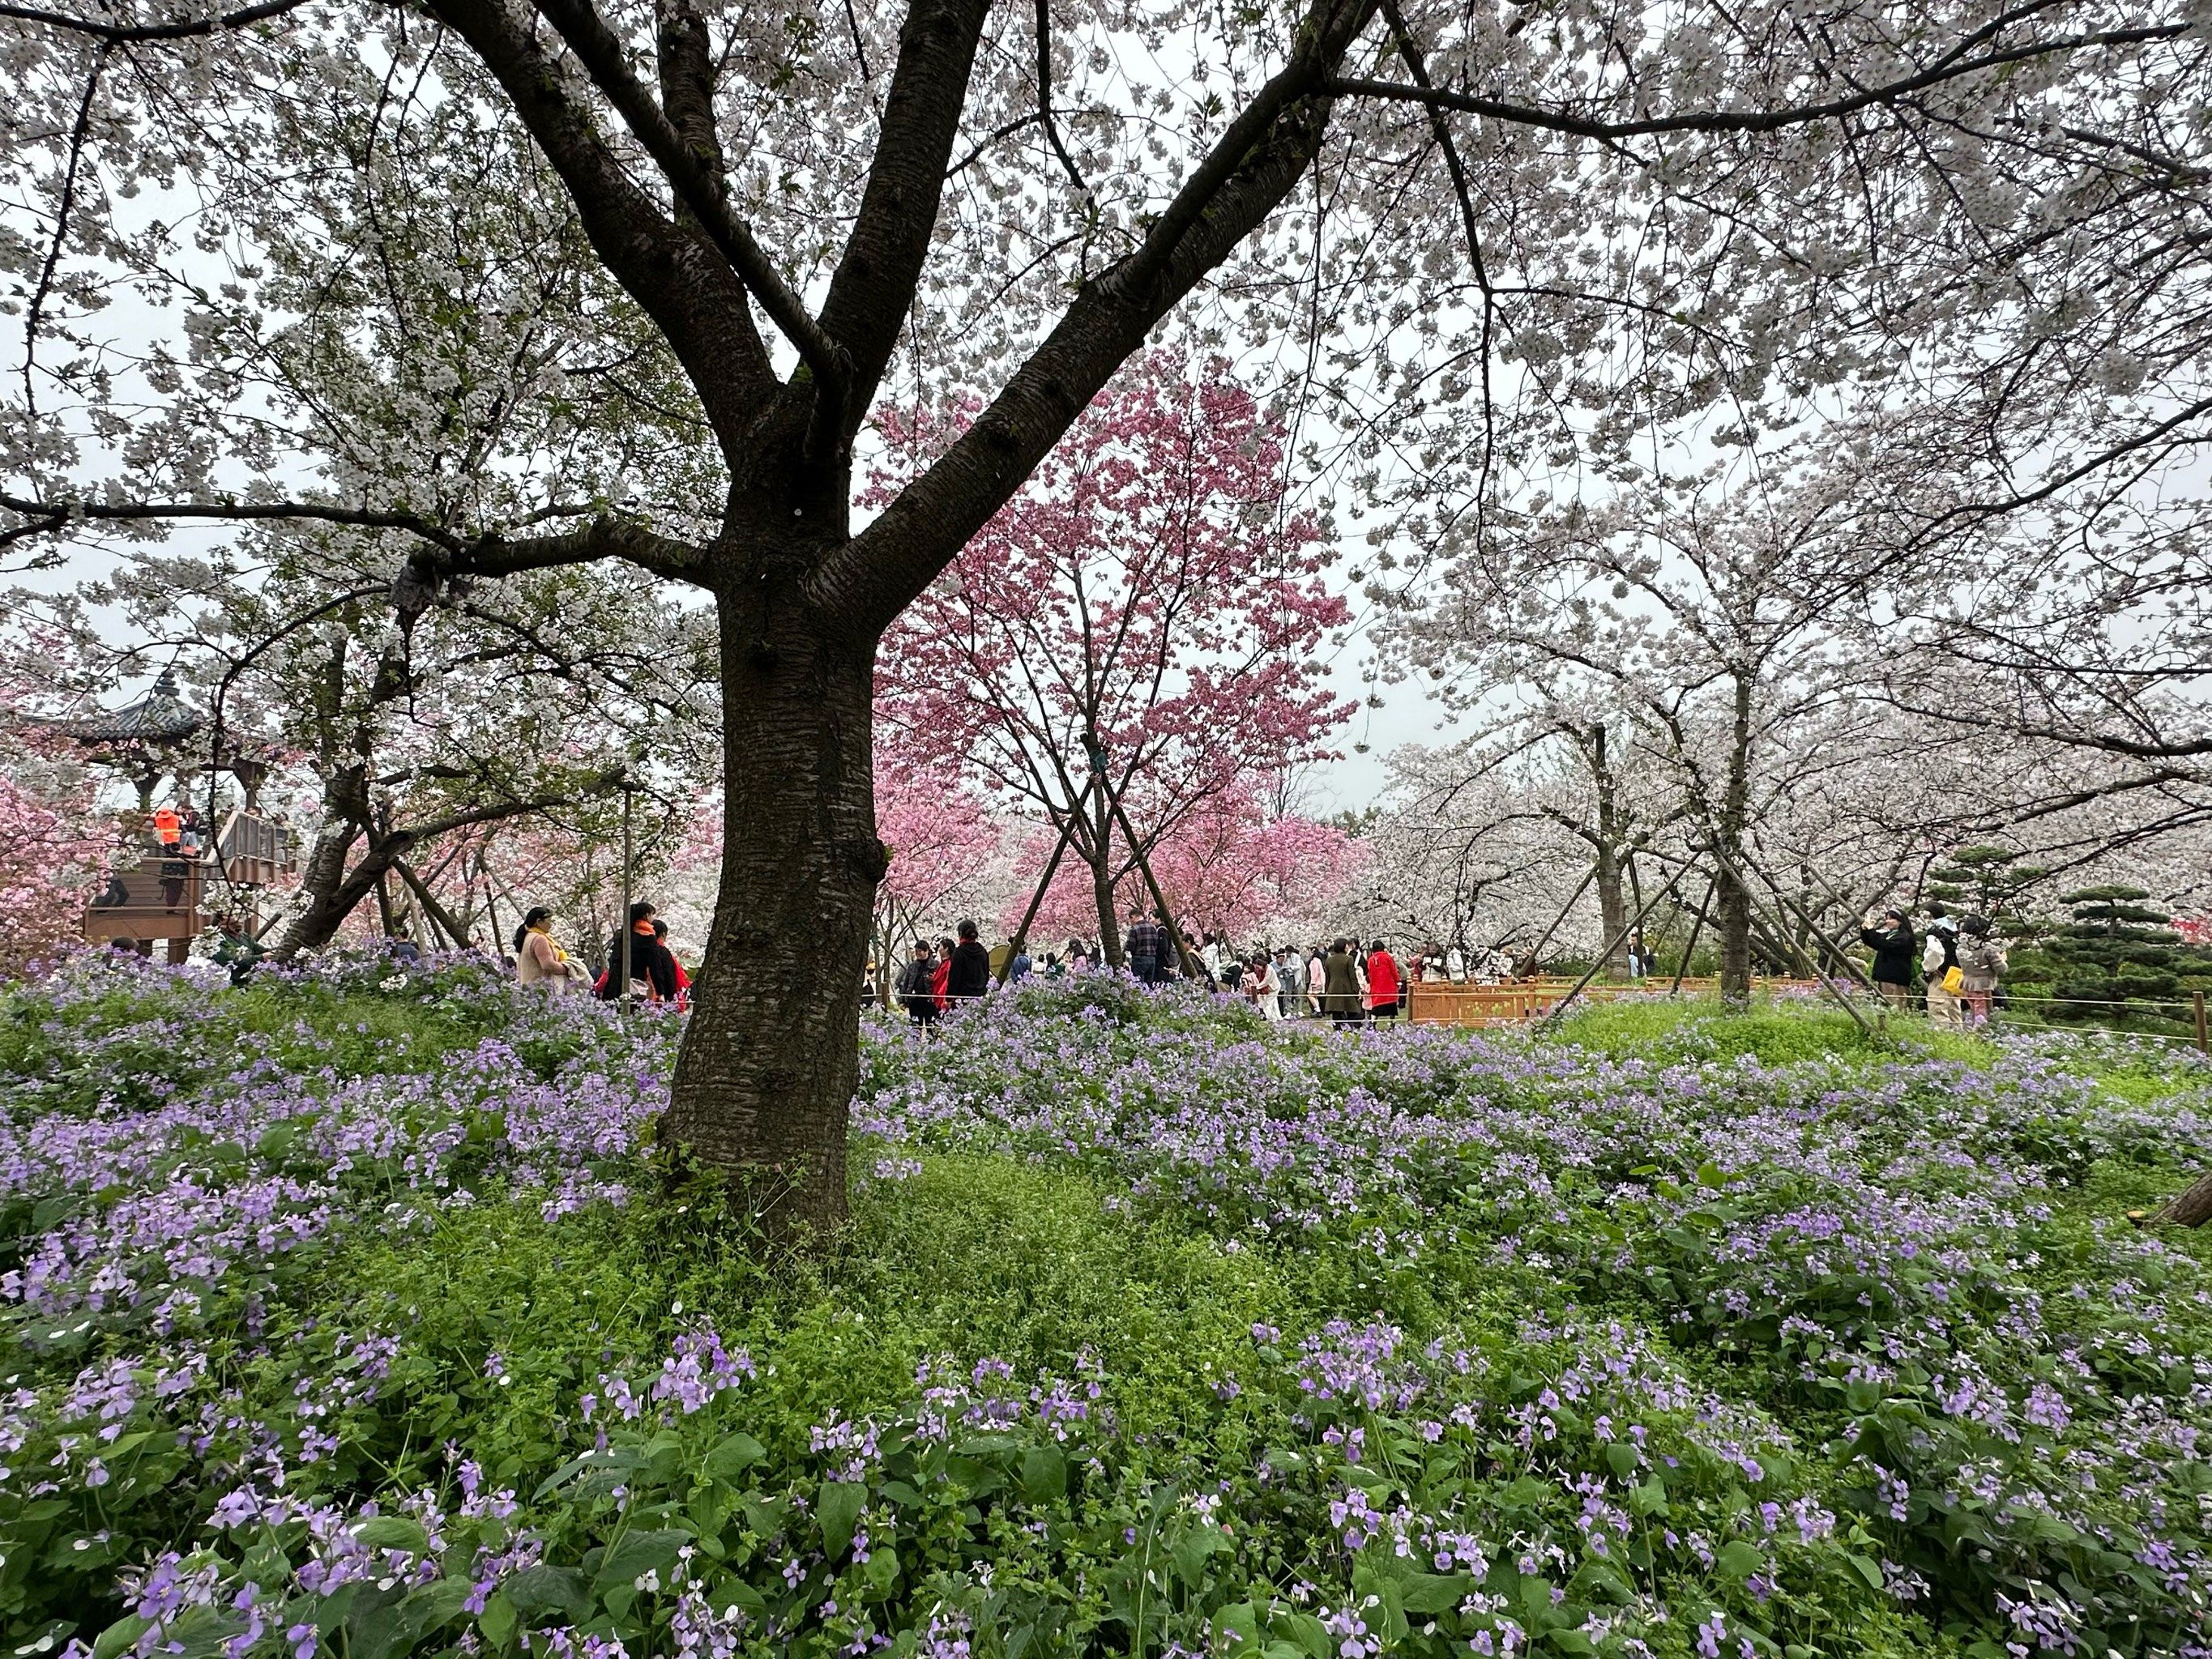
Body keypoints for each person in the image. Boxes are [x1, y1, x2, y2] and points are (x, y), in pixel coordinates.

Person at [598, 901, 678, 1003]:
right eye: (651, 915)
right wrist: (660, 992)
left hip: (615, 984)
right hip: (635, 985)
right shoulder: (647, 937)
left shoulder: (622, 935)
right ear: (646, 915)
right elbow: (655, 966)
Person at [1858, 909, 1918, 1010]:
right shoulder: (1889, 935)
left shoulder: (1904, 938)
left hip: (1895, 978)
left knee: (1896, 1007)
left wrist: (1871, 931)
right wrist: (1865, 930)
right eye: (1887, 919)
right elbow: (1873, 942)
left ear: (1900, 921)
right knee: (1884, 1007)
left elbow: (1883, 944)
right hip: (1884, 976)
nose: (1887, 921)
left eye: (1891, 919)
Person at [1955, 914, 2007, 1026]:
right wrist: (2002, 959)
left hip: (1966, 984)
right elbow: (2001, 969)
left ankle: (1973, 1032)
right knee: (1982, 1015)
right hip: (1982, 986)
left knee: (1974, 1012)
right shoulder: (1986, 948)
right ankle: (1980, 1035)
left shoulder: (1961, 947)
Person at [513, 906, 577, 993]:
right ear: (539, 922)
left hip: (528, 990)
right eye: (549, 921)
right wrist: (569, 969)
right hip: (541, 991)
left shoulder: (527, 937)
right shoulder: (539, 939)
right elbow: (548, 965)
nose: (551, 925)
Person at [1922, 915, 1965, 1031]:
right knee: (1954, 1012)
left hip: (1939, 976)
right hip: (1954, 976)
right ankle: (1958, 1041)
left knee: (1938, 1011)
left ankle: (1941, 1040)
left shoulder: (1935, 931)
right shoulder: (1954, 931)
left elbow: (1934, 951)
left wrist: (1928, 969)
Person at [947, 919, 993, 1004]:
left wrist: (949, 998)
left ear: (961, 934)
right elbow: (986, 975)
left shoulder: (959, 952)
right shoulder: (982, 951)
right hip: (981, 996)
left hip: (963, 998)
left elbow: (954, 978)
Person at [1321, 938, 1364, 1027]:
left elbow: (1327, 977)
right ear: (1343, 947)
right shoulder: (1349, 959)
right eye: (1346, 945)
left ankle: (1338, 1030)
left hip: (1333, 989)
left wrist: (1326, 990)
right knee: (1352, 1011)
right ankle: (1352, 1028)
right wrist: (1357, 990)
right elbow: (1352, 977)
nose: (1348, 947)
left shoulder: (1329, 960)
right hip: (1347, 989)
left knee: (1337, 1013)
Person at [651, 919, 693, 1009]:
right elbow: (670, 976)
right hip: (664, 997)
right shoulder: (663, 952)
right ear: (663, 934)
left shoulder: (640, 950)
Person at [896, 940, 938, 1028]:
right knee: (915, 1026)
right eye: (917, 951)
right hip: (915, 999)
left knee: (931, 1026)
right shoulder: (912, 966)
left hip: (929, 999)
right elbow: (906, 983)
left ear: (927, 951)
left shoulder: (935, 964)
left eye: (920, 951)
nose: (918, 953)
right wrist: (903, 1000)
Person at [1125, 906, 1165, 985]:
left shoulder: (1134, 928)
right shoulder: (1153, 927)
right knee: (1149, 986)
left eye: (1130, 919)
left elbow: (1130, 946)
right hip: (1152, 959)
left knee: (1138, 985)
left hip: (1139, 959)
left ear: (1133, 917)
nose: (1130, 922)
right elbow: (1156, 943)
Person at [1366, 938, 1402, 1024]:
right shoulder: (1387, 957)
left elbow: (1369, 973)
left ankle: (1373, 1023)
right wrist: (1398, 980)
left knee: (1376, 1007)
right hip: (1389, 986)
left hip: (1376, 987)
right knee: (1392, 1007)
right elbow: (1394, 970)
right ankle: (1392, 1023)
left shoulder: (1371, 960)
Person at [932, 936, 954, 1013]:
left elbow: (947, 982)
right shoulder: (943, 963)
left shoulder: (948, 964)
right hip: (938, 996)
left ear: (946, 949)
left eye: (940, 947)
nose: (938, 949)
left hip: (942, 996)